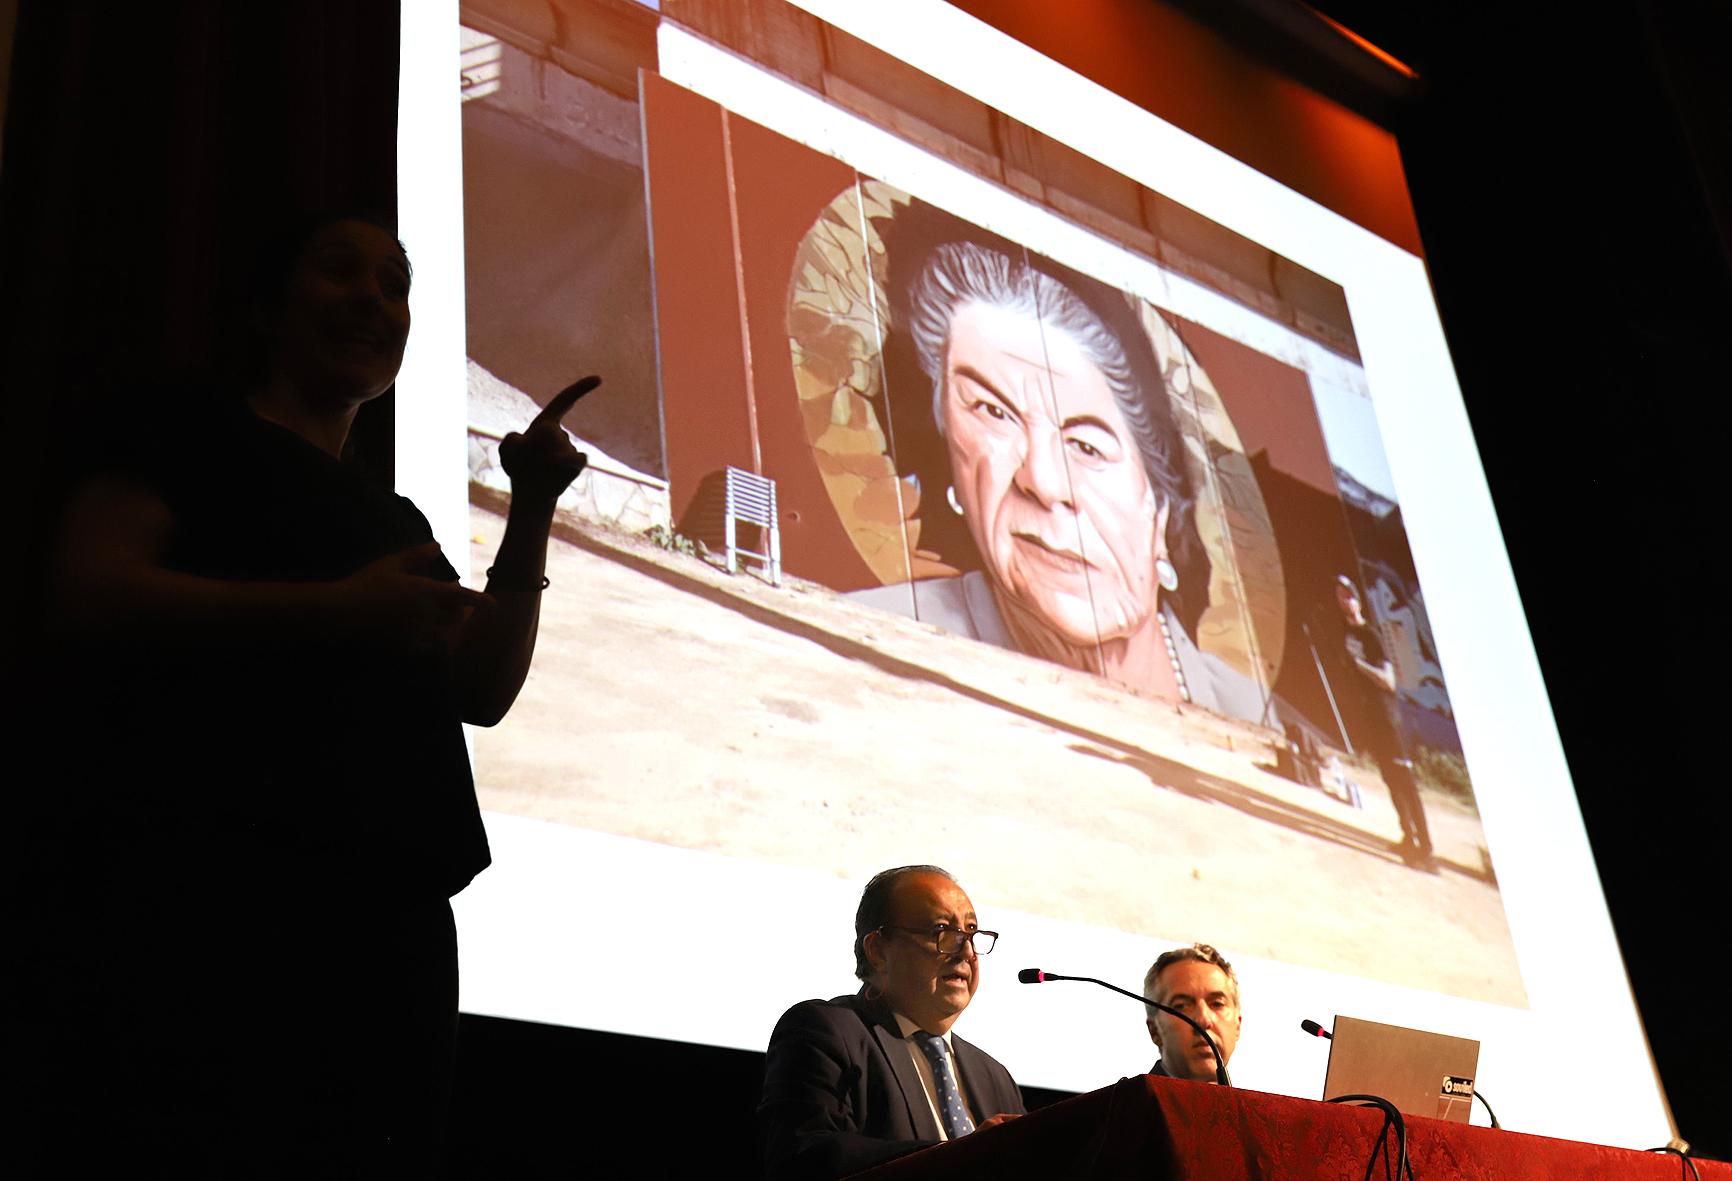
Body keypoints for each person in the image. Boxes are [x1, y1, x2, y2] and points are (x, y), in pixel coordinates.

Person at [25, 212, 594, 1174]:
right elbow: (85, 590)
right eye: (340, 272)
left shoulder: (393, 514)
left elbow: (481, 686)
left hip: (394, 937)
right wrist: (332, 610)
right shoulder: (186, 430)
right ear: (264, 304)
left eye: (395, 283)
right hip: (223, 911)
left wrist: (532, 503)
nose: (374, 300)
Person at [857, 239, 1263, 721]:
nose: (1043, 482)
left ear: (1160, 511)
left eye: (1086, 446)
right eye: (993, 412)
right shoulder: (866, 649)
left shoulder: (1261, 720)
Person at [758, 865, 1025, 1181]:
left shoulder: (994, 1077)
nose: (966, 951)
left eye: (971, 932)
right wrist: (960, 1156)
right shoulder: (826, 1031)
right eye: (943, 931)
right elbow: (805, 1157)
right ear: (878, 951)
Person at [1335, 575, 1434, 867]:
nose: (1344, 601)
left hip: (1389, 718)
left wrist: (1359, 666)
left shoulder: (1372, 635)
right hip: (1372, 718)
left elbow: (1388, 682)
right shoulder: (1346, 634)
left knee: (1404, 781)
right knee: (1390, 779)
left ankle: (1426, 849)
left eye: (1348, 595)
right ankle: (1408, 836)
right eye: (1339, 596)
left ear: (1358, 599)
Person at [1143, 943, 1243, 1083]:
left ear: (1238, 1025)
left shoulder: (1256, 1105)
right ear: (1154, 1030)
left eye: (1217, 1004)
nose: (1204, 1020)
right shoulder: (1125, 1103)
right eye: (1182, 1006)